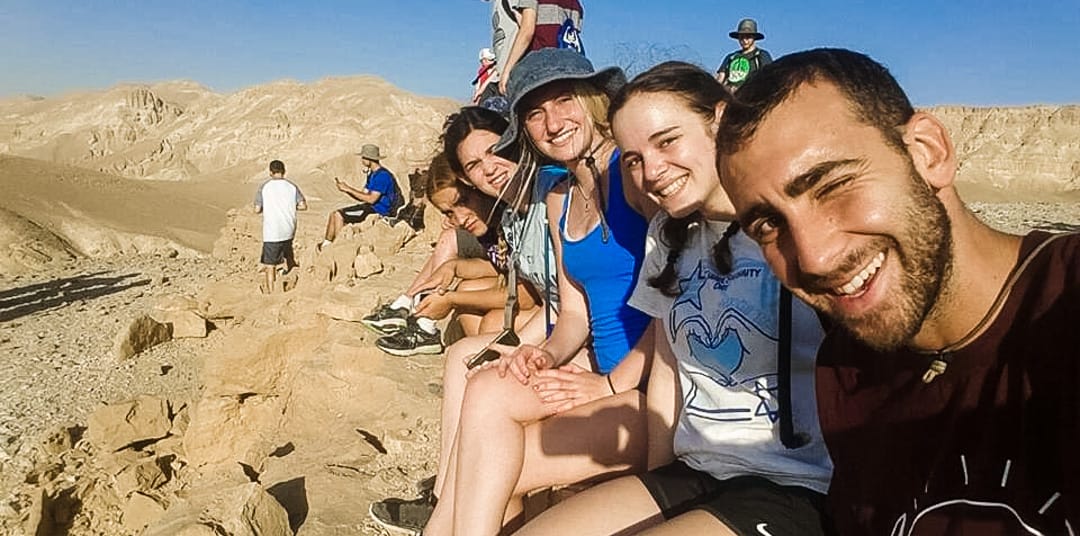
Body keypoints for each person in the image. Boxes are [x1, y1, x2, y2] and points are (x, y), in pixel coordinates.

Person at [716, 47, 1080, 535]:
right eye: (768, 225)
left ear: (927, 153)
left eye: (832, 185)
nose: (814, 258)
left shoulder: (1062, 302)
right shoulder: (845, 369)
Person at [520, 61, 833, 535]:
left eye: (667, 141)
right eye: (633, 159)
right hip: (695, 470)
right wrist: (653, 479)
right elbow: (667, 367)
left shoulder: (795, 230)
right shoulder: (668, 239)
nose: (652, 171)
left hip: (791, 484)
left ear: (720, 120)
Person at [428, 47, 658, 535]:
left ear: (595, 99)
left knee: (493, 467)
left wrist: (611, 385)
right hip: (597, 367)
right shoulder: (560, 199)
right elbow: (572, 314)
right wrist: (545, 356)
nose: (552, 123)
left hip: (648, 384)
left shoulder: (636, 175)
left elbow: (675, 306)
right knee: (490, 387)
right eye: (535, 113)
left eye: (564, 101)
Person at [369, 106, 567, 534]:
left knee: (479, 368)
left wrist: (457, 291)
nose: (488, 169)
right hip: (551, 325)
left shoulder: (551, 196)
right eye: (474, 165)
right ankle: (443, 498)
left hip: (566, 334)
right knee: (464, 355)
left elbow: (558, 301)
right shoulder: (517, 210)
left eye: (495, 152)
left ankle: (443, 512)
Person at [369, 152, 541, 356]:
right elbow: (501, 267)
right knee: (467, 300)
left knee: (491, 322)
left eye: (463, 201)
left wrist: (452, 299)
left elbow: (525, 295)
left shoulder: (513, 221)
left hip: (552, 307)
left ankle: (490, 365)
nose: (460, 219)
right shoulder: (488, 226)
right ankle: (485, 360)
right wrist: (453, 267)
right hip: (529, 295)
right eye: (449, 212)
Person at [320, 143, 399, 248]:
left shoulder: (382, 176)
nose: (361, 160)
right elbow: (363, 195)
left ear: (369, 159)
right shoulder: (372, 174)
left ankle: (341, 247)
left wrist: (348, 188)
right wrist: (346, 190)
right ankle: (326, 244)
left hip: (379, 211)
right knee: (333, 214)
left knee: (338, 215)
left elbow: (371, 199)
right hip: (370, 207)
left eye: (363, 157)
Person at [253, 159, 306, 293]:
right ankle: (293, 286)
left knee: (270, 265)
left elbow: (257, 209)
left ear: (270, 172)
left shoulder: (265, 187)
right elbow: (303, 206)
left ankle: (272, 294)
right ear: (284, 171)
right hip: (289, 230)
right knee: (289, 259)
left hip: (272, 232)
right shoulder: (292, 186)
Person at [715, 18, 772, 93]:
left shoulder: (761, 55)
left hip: (751, 95)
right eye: (741, 37)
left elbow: (768, 77)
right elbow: (720, 77)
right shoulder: (731, 57)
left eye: (748, 37)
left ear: (754, 38)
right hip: (730, 96)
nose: (744, 40)